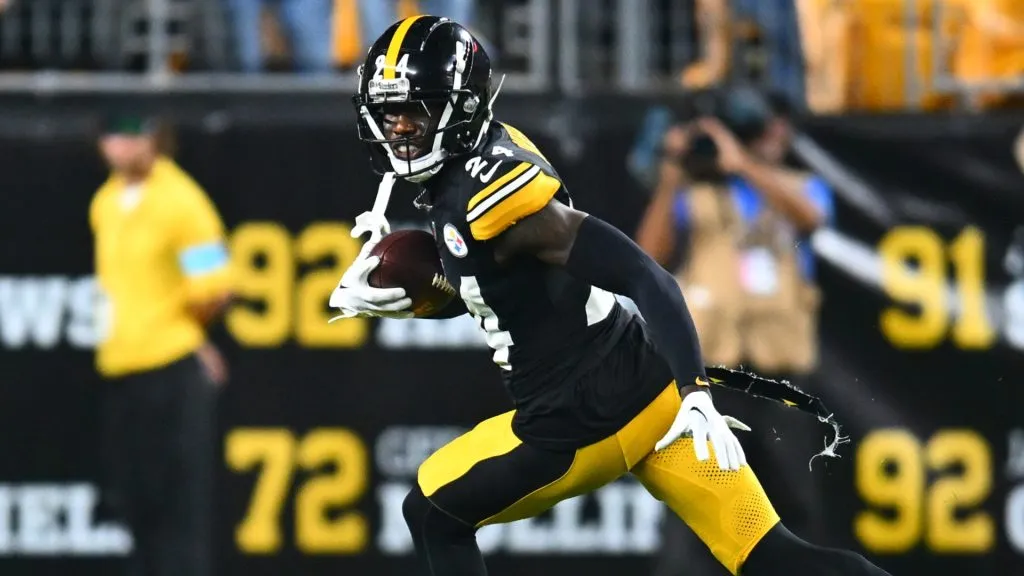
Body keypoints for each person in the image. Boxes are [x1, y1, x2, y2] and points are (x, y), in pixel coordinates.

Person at [330, 15, 892, 576]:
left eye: (414, 111)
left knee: (431, 512)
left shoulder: (494, 200)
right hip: (648, 388)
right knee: (773, 556)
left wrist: (696, 389)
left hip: (579, 420)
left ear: (462, 106)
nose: (399, 128)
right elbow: (507, 282)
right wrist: (432, 291)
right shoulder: (487, 161)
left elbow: (645, 275)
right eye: (388, 113)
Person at [636, 88, 834, 576]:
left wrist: (740, 162)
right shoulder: (693, 196)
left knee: (794, 507)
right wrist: (671, 177)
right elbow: (646, 258)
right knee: (698, 505)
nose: (772, 135)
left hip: (779, 384)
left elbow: (812, 218)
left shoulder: (797, 186)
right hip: (712, 382)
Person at [91, 114, 233, 576]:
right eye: (114, 133)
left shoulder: (182, 202)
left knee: (177, 515)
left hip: (170, 370)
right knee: (134, 507)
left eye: (131, 133)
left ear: (154, 138)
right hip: (121, 369)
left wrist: (181, 334)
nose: (121, 145)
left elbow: (215, 286)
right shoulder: (106, 202)